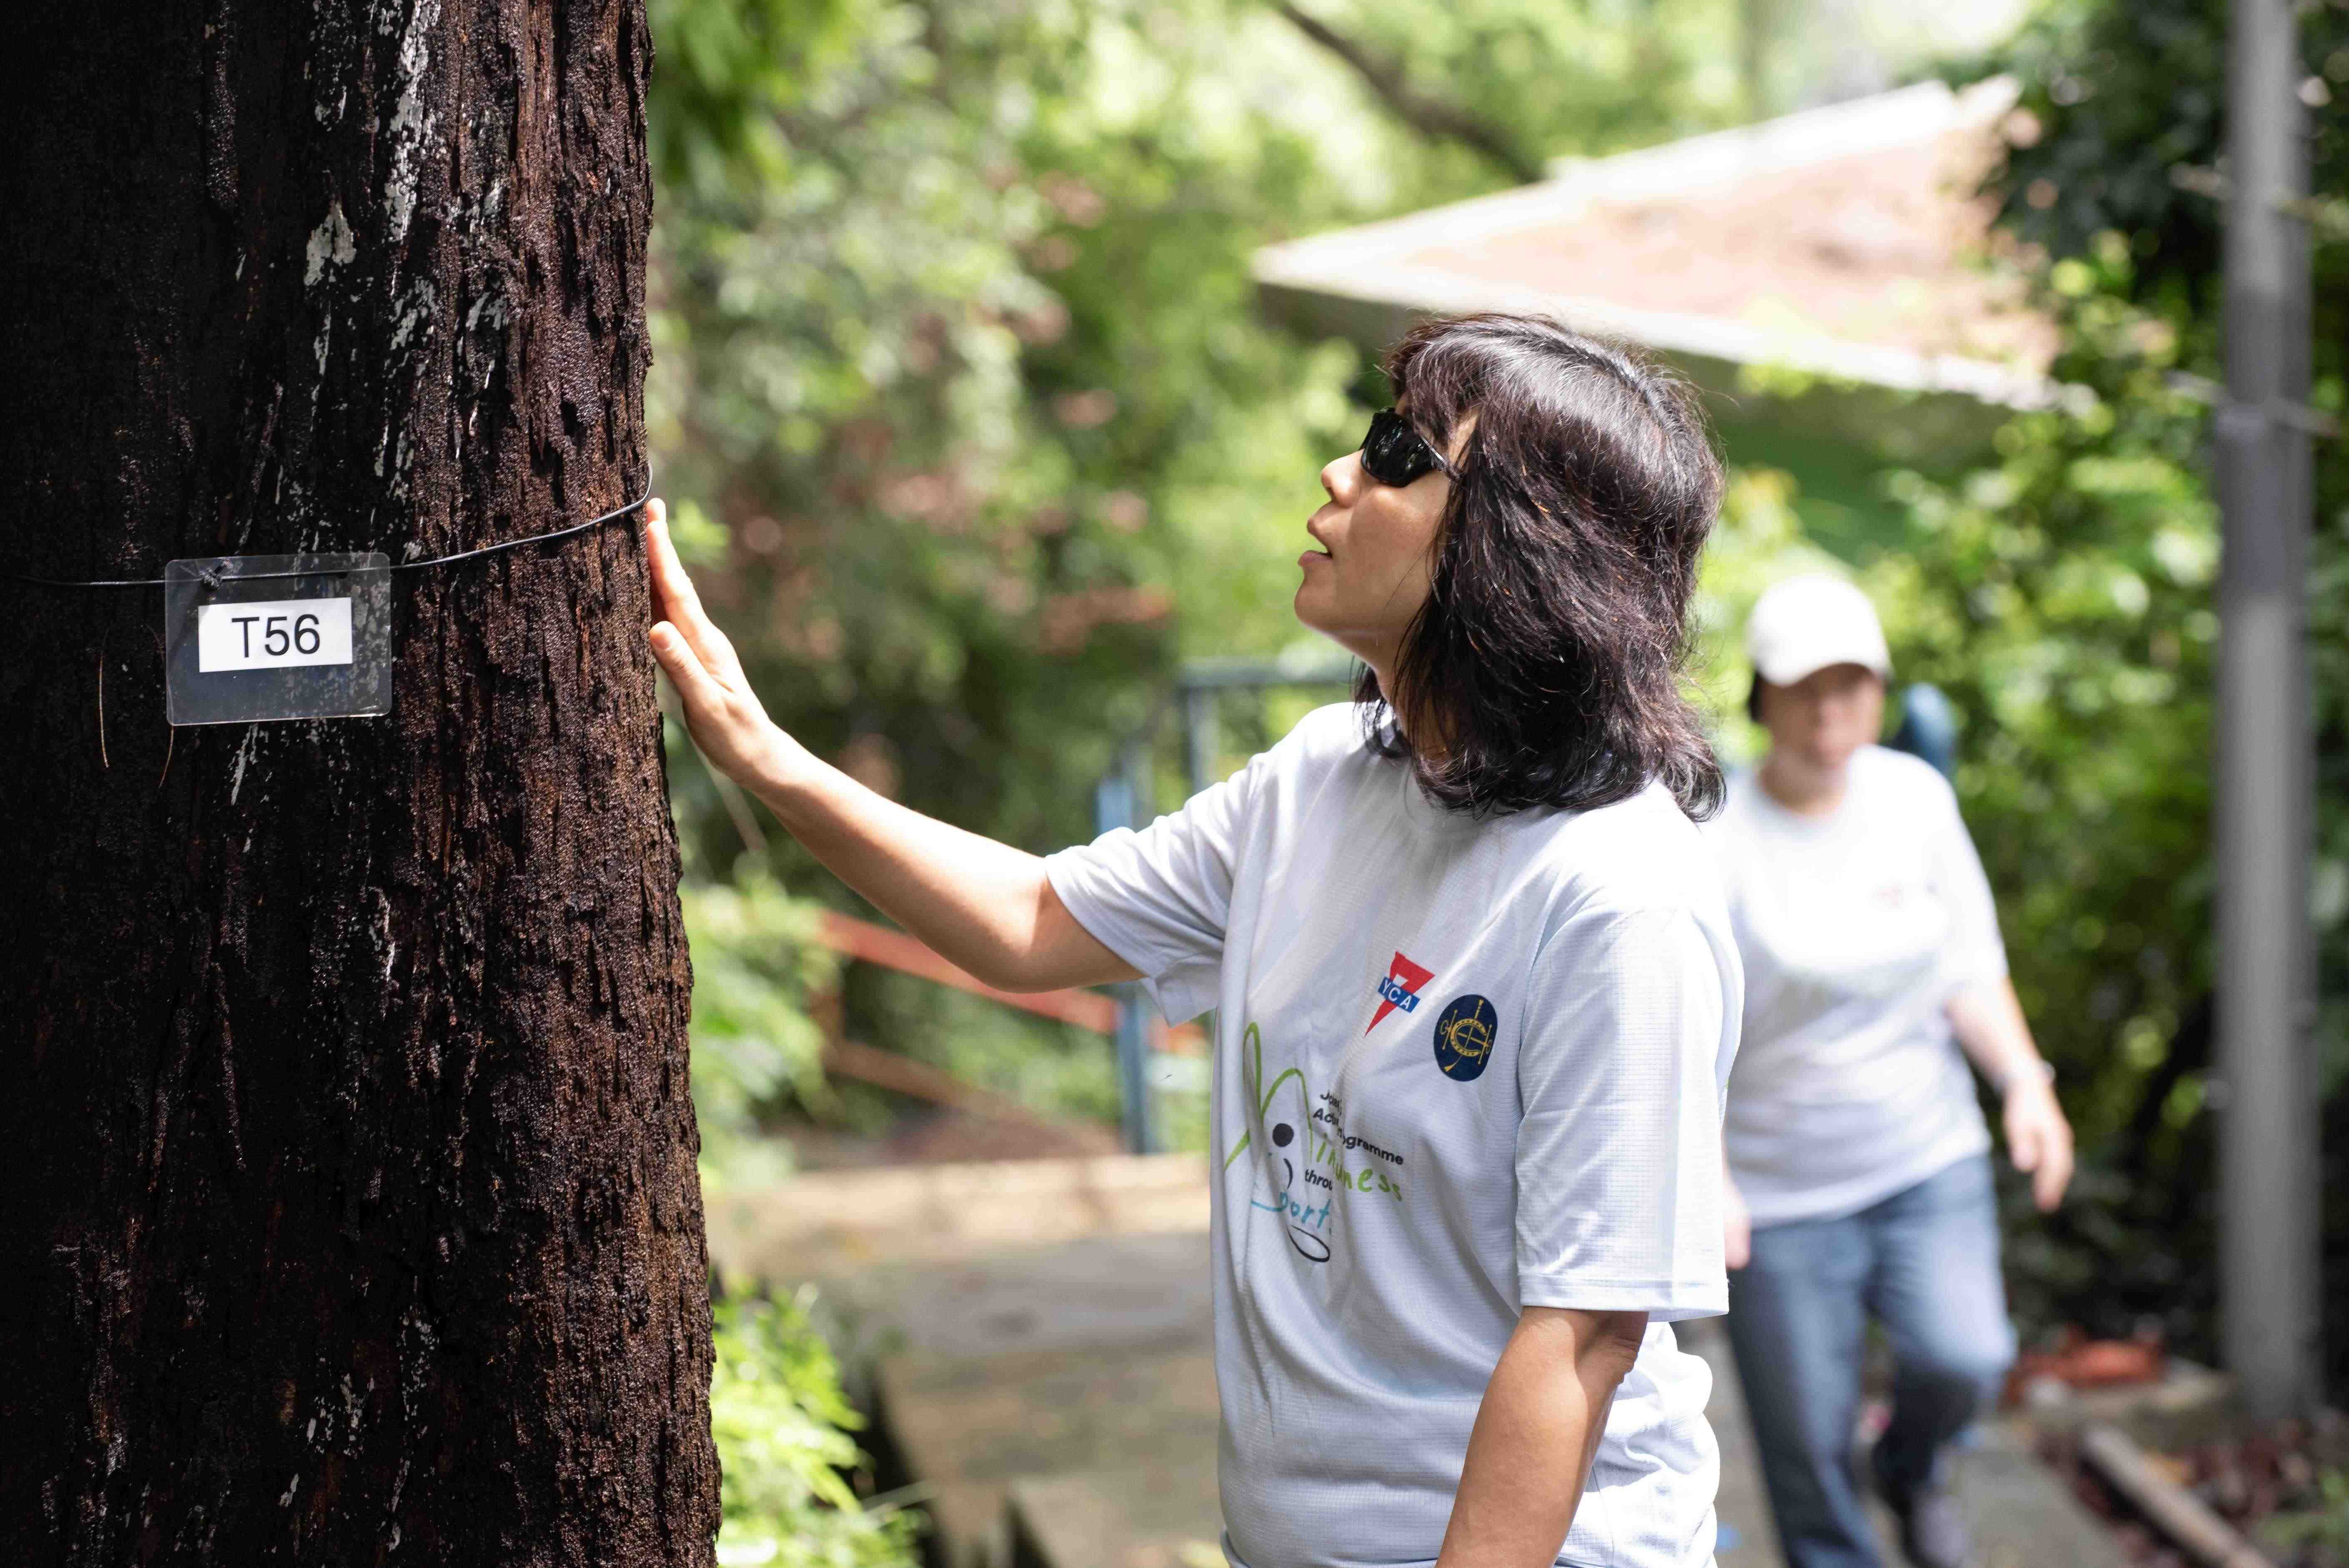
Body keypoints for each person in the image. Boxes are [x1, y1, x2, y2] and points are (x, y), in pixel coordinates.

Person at [646, 313, 1744, 1568]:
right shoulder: (1324, 780)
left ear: (1519, 547)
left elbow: (1584, 1335)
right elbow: (1032, 924)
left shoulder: (1616, 894)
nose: (1340, 475)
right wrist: (765, 759)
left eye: (1397, 453)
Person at [1706, 575, 2076, 1568]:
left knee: (1966, 1358)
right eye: (1805, 688)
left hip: (1923, 1160)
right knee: (1807, 1454)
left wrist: (2026, 1086)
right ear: (1761, 696)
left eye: (1851, 686)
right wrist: (1708, 1172)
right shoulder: (1716, 836)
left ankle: (1911, 1469)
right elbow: (1680, 1025)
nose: (1830, 711)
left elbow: (1968, 968)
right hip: (1779, 1194)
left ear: (1878, 692)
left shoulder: (1914, 800)